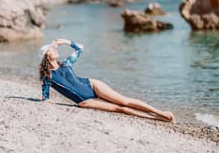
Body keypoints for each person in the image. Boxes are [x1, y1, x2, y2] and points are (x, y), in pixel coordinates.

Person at [39, 38, 175, 123]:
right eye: (51, 49)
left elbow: (80, 48)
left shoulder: (66, 63)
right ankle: (158, 119)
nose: (55, 49)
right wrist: (46, 100)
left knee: (124, 101)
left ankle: (160, 112)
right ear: (46, 55)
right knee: (121, 109)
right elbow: (45, 95)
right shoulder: (48, 76)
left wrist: (65, 41)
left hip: (92, 84)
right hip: (85, 101)